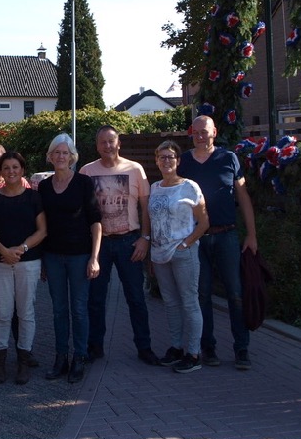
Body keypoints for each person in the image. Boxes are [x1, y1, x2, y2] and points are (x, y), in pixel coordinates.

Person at [177, 115, 259, 370]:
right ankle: (208, 348)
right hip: (196, 239)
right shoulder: (184, 162)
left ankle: (242, 349)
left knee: (235, 293)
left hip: (226, 235)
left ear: (214, 132)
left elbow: (243, 197)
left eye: (205, 131)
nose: (200, 136)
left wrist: (252, 234)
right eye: (195, 132)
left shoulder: (229, 159)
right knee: (201, 295)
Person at [81, 126, 161, 366]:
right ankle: (95, 347)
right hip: (100, 244)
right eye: (103, 142)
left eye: (111, 141)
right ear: (97, 146)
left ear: (119, 144)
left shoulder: (135, 170)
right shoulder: (86, 172)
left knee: (136, 297)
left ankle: (144, 347)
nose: (107, 146)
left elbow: (145, 207)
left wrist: (145, 238)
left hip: (130, 241)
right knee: (95, 299)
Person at [38, 133, 102, 383]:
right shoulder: (43, 186)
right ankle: (61, 357)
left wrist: (94, 257)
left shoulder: (84, 183)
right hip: (53, 256)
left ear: (72, 156)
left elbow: (96, 222)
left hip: (79, 255)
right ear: (51, 157)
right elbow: (41, 224)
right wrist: (42, 258)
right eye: (57, 152)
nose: (61, 156)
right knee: (58, 310)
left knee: (79, 308)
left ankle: (80, 357)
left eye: (65, 153)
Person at [0, 151, 47, 384]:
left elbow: (42, 230)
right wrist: (4, 251)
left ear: (22, 170)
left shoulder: (33, 198)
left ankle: (23, 361)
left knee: (26, 312)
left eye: (15, 167)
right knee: (2, 312)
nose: (10, 172)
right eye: (6, 167)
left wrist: (22, 248)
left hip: (27, 262)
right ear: (1, 170)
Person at [148, 140, 209, 374]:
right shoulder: (154, 188)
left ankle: (193, 353)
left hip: (183, 253)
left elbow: (204, 222)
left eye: (170, 157)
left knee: (189, 301)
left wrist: (186, 243)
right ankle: (176, 347)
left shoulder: (190, 187)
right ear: (156, 160)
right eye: (162, 157)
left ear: (178, 161)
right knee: (171, 303)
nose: (166, 161)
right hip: (160, 254)